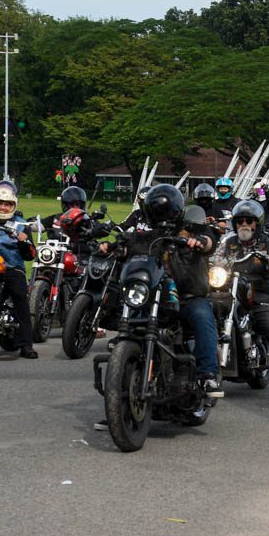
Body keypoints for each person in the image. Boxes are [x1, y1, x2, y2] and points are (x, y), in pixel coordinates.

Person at [93, 184, 223, 431]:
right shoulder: (148, 237)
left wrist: (200, 242)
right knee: (128, 329)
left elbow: (210, 241)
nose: (161, 216)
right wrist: (111, 247)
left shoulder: (191, 231)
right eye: (156, 211)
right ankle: (117, 409)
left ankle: (207, 376)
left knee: (202, 316)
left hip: (187, 297)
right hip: (154, 299)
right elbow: (128, 242)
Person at [212, 200, 269, 403]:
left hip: (259, 296)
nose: (244, 224)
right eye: (240, 221)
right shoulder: (227, 243)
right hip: (230, 293)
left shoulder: (268, 244)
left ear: (256, 224)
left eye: (249, 221)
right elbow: (214, 259)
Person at [0, 181, 39, 358]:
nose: (2, 207)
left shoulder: (22, 225)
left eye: (7, 204)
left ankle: (26, 345)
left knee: (20, 295)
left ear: (13, 205)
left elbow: (30, 255)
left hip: (12, 268)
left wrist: (24, 241)